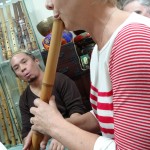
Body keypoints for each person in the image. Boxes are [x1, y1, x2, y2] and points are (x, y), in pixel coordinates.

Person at [29, 0, 150, 149]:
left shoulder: (131, 43)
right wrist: (51, 125)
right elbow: (104, 116)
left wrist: (56, 126)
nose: (48, 5)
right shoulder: (99, 50)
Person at [10, 51, 86, 150]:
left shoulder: (61, 80)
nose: (22, 68)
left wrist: (62, 134)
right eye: (16, 68)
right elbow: (26, 131)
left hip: (71, 132)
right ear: (17, 76)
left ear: (36, 61)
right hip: (44, 141)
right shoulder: (24, 99)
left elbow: (77, 112)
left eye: (24, 62)